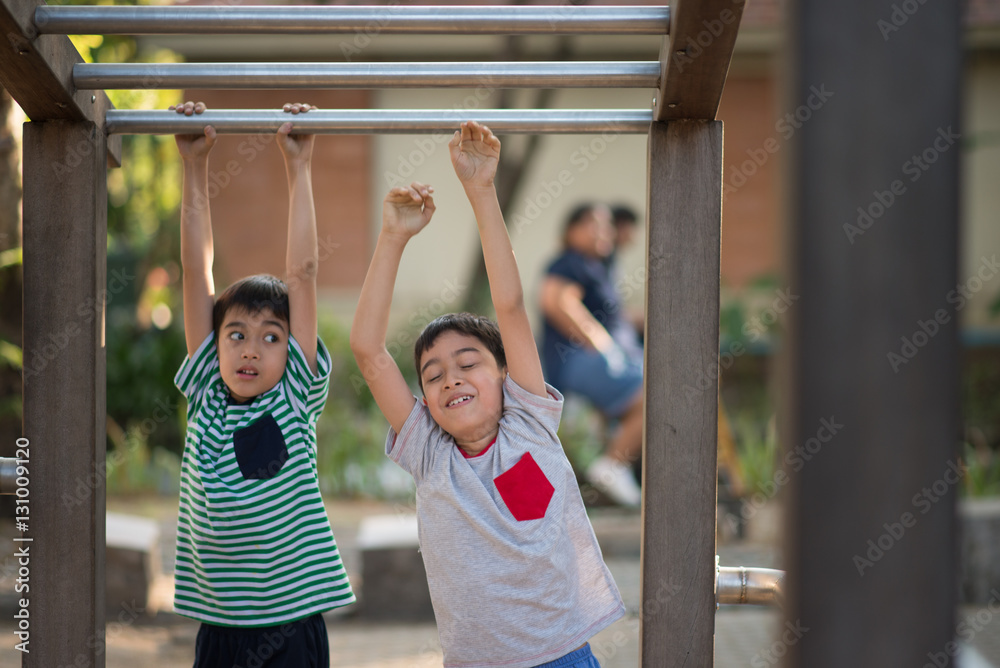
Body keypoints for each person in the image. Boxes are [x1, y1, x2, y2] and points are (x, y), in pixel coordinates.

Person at [350, 121, 625, 668]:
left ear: (504, 373)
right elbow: (369, 352)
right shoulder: (430, 455)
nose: (450, 378)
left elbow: (511, 306)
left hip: (563, 655)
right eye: (433, 375)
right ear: (425, 402)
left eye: (467, 363)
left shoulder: (529, 421)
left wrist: (480, 190)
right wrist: (392, 238)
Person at [170, 101, 354, 668]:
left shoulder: (293, 394)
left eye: (271, 337)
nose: (251, 348)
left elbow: (303, 273)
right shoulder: (205, 389)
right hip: (220, 623)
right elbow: (195, 271)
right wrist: (194, 166)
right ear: (215, 343)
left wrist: (298, 166)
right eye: (237, 335)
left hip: (291, 623)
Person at [538, 204, 644, 508]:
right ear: (572, 231)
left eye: (607, 226)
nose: (603, 232)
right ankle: (613, 465)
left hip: (602, 359)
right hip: (577, 362)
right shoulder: (569, 263)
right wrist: (603, 345)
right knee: (653, 393)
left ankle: (614, 471)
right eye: (593, 225)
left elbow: (614, 317)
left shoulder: (597, 267)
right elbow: (556, 301)